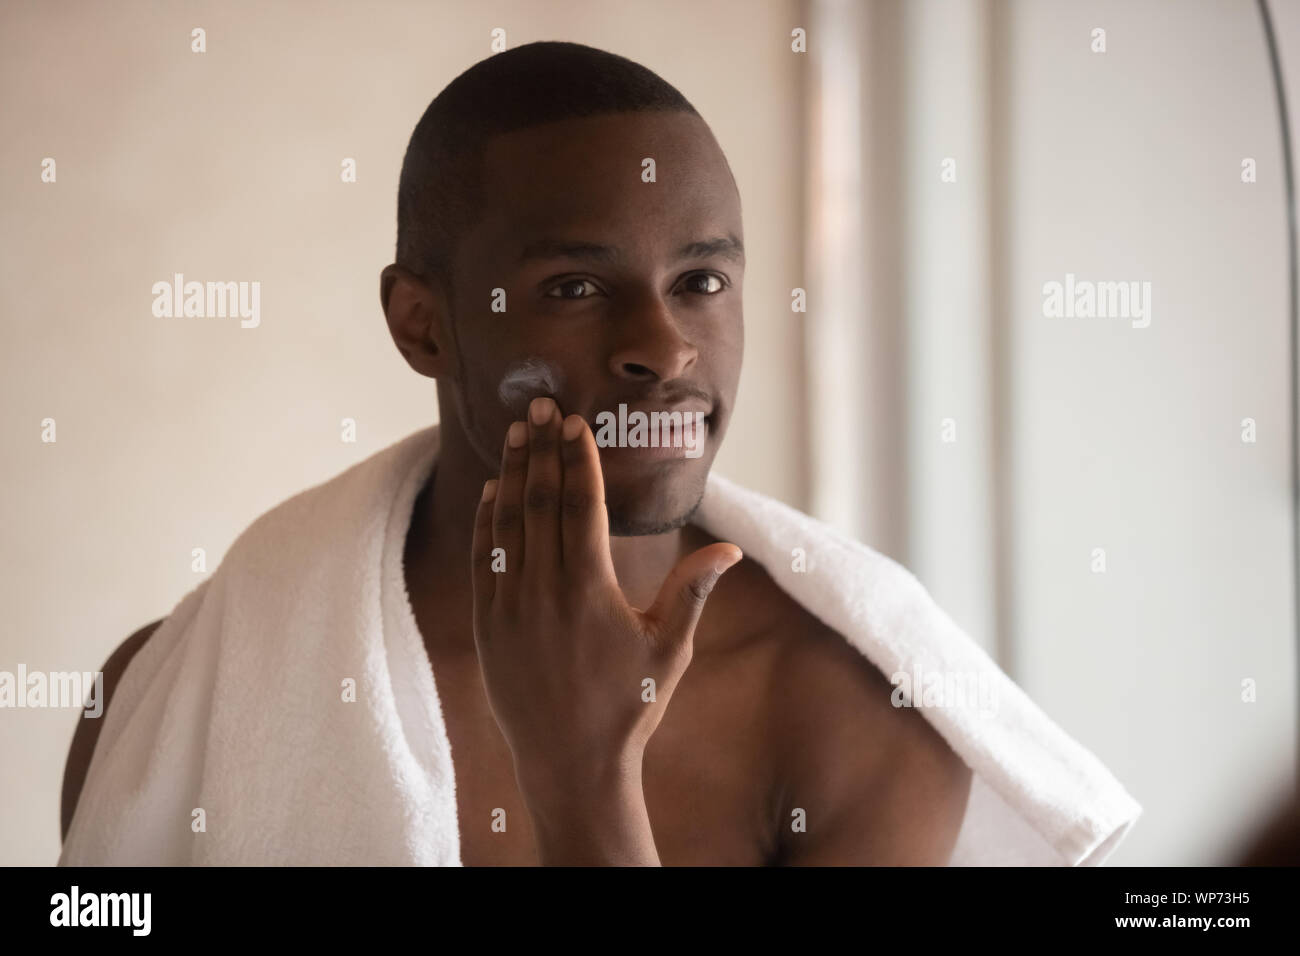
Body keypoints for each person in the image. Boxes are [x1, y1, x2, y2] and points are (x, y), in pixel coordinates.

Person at [62, 40, 974, 865]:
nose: (663, 347)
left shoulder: (861, 708)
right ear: (424, 325)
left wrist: (583, 778)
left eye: (701, 281)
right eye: (575, 286)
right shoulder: (182, 695)